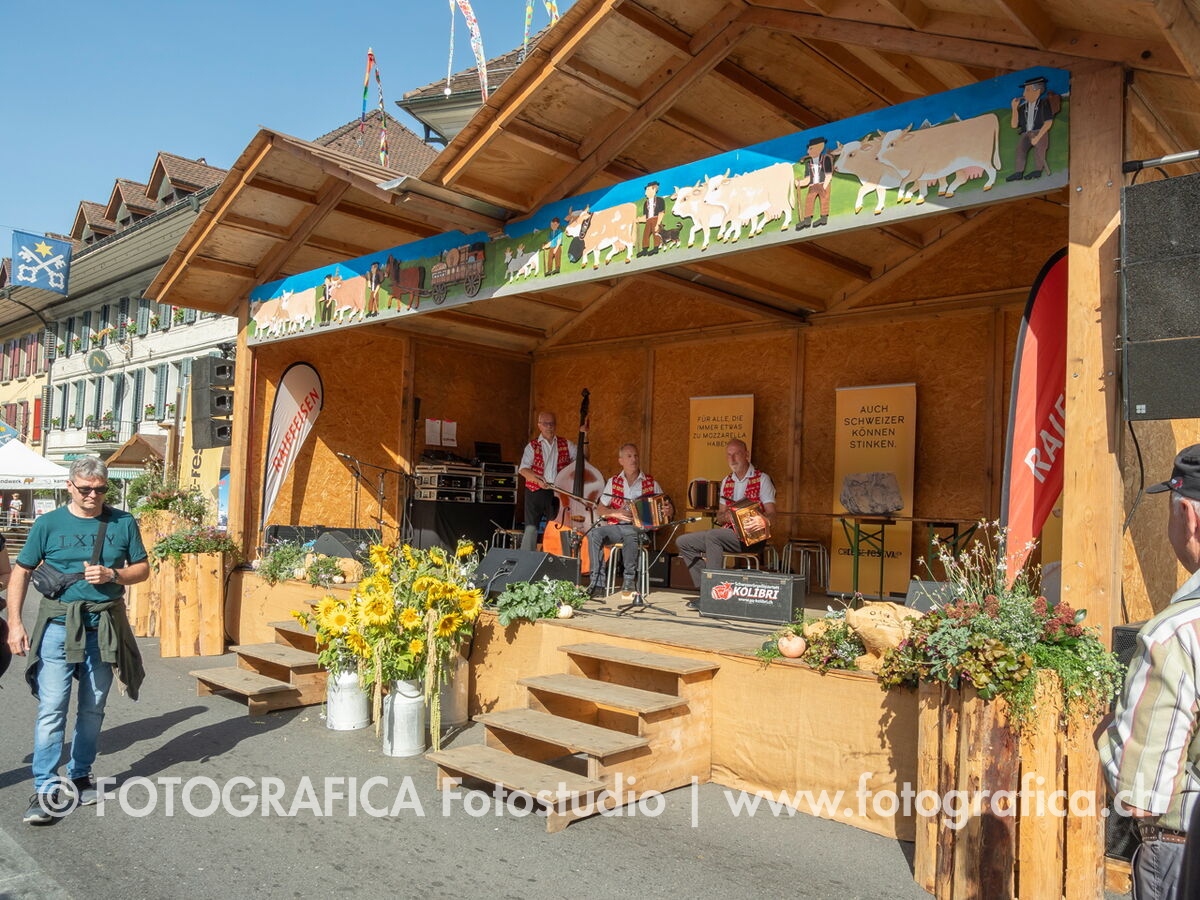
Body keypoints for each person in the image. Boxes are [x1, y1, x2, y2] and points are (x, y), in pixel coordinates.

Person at [5, 457, 149, 826]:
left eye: (100, 489)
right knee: (52, 707)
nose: (92, 495)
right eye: (85, 488)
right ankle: (45, 787)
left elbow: (142, 569)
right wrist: (15, 624)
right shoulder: (48, 523)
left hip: (103, 626)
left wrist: (113, 574)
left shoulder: (123, 522)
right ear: (70, 486)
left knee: (93, 707)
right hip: (57, 626)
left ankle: (81, 774)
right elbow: (21, 571)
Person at [1099, 444, 1200, 899]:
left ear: (1188, 517)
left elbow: (1142, 792)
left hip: (1184, 852)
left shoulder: (1176, 634)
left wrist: (1111, 733)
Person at [676, 440, 776, 610]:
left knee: (713, 536)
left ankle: (713, 596)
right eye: (729, 455)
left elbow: (773, 514)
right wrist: (727, 516)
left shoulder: (762, 479)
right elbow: (720, 516)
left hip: (753, 538)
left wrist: (763, 520)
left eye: (736, 454)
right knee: (683, 542)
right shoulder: (726, 481)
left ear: (747, 455)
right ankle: (707, 589)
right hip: (730, 534)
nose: (732, 458)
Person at [587, 444, 669, 598]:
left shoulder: (651, 483)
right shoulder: (613, 482)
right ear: (621, 461)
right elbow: (600, 509)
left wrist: (667, 511)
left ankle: (629, 580)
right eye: (629, 456)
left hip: (641, 530)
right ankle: (597, 583)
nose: (634, 459)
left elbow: (665, 507)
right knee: (594, 534)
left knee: (630, 533)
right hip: (617, 527)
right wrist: (615, 513)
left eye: (636, 456)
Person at [518, 412, 577, 552]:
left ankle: (555, 556)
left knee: (557, 527)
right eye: (546, 424)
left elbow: (582, 460)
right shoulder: (532, 446)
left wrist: (584, 438)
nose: (549, 427)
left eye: (552, 424)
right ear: (539, 425)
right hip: (535, 491)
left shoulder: (566, 444)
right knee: (531, 528)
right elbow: (523, 469)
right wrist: (537, 479)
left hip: (557, 492)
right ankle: (527, 558)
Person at [1006, 75, 1056, 182]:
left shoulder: (1044, 104)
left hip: (1039, 131)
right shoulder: (1023, 107)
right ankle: (1018, 172)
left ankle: (1037, 171)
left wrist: (1038, 137)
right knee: (1020, 149)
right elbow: (1014, 125)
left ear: (1037, 91)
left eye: (1027, 90)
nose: (1024, 94)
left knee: (1039, 150)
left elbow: (1048, 122)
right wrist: (1014, 109)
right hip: (1026, 133)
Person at [796, 136, 834, 229]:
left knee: (824, 199)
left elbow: (828, 174)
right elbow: (808, 179)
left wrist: (825, 186)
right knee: (809, 200)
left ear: (818, 148)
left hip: (823, 183)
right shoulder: (808, 163)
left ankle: (823, 217)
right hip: (813, 185)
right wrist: (800, 183)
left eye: (810, 149)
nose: (808, 152)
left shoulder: (825, 159)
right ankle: (807, 220)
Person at [637, 182, 665, 256]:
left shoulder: (660, 200)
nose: (645, 193)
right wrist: (639, 219)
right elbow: (645, 216)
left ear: (654, 190)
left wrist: (658, 224)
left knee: (656, 233)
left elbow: (661, 213)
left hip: (656, 219)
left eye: (648, 190)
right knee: (646, 234)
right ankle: (644, 249)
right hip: (648, 220)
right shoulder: (645, 203)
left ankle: (656, 248)